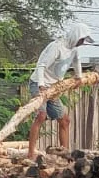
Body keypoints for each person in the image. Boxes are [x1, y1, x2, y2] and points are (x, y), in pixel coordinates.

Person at [25, 22, 95, 158]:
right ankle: (30, 153)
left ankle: (65, 153)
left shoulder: (74, 49)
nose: (82, 43)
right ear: (76, 36)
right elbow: (41, 65)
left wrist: (79, 77)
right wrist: (41, 85)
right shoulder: (57, 47)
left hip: (54, 87)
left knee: (64, 120)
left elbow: (76, 61)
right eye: (81, 39)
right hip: (39, 83)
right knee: (41, 116)